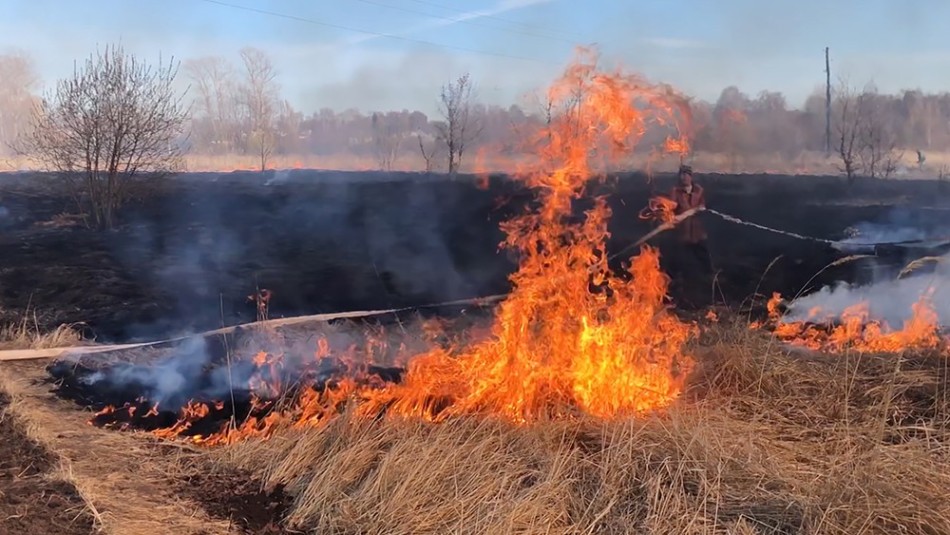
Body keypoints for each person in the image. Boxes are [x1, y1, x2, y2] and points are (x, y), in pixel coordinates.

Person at [669, 164, 714, 304]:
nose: (684, 177)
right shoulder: (675, 191)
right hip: (683, 231)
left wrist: (696, 210)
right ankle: (681, 283)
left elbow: (702, 206)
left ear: (691, 176)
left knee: (703, 253)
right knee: (683, 257)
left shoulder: (699, 190)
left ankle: (710, 277)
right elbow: (670, 208)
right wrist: (673, 217)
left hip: (697, 229)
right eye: (681, 174)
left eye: (686, 174)